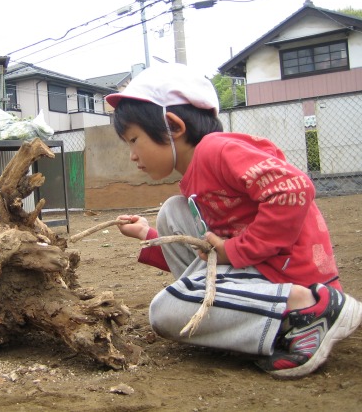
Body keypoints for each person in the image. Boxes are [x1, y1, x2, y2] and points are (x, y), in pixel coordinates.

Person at [105, 62, 362, 379]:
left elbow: (293, 188)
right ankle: (229, 310)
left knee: (164, 313)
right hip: (260, 267)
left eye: (133, 139)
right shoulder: (195, 178)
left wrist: (237, 250)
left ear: (173, 126)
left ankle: (307, 310)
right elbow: (209, 249)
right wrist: (148, 235)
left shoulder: (217, 150)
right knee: (173, 210)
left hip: (290, 277)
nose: (132, 154)